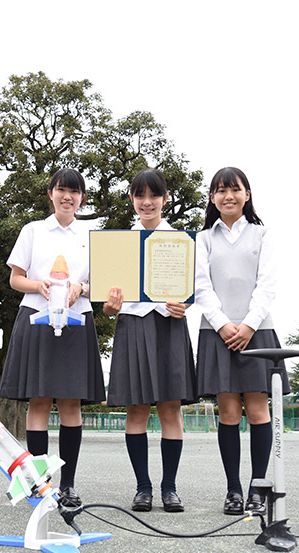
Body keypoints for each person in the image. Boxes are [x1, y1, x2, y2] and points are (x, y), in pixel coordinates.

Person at [0, 168, 105, 508]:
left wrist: (81, 287)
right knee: (39, 401)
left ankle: (69, 484)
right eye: (61, 190)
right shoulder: (33, 231)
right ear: (51, 193)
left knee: (71, 403)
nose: (67, 197)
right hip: (36, 318)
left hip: (77, 320)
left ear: (82, 198)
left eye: (74, 192)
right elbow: (16, 279)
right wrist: (39, 285)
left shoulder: (91, 234)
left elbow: (101, 284)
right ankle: (38, 482)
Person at [195, 166, 289, 516]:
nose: (228, 195)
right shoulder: (203, 239)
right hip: (216, 332)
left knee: (257, 408)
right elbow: (201, 287)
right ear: (212, 198)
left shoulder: (262, 235)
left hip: (258, 331)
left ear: (247, 194)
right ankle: (233, 490)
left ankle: (257, 487)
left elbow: (267, 285)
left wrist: (248, 326)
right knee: (230, 412)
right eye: (220, 190)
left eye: (234, 189)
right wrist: (223, 325)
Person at [103, 169, 196, 513]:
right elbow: (108, 301)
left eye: (153, 195)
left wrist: (185, 302)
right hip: (132, 326)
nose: (147, 202)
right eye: (140, 195)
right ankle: (143, 488)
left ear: (165, 199)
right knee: (136, 410)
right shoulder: (119, 244)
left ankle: (169, 488)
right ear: (132, 199)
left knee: (170, 409)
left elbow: (195, 286)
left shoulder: (181, 241)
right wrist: (110, 308)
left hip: (168, 326)